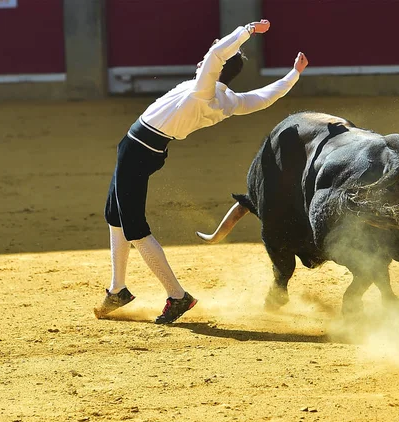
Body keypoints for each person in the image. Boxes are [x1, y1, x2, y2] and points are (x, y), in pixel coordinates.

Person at [95, 19, 309, 324]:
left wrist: (246, 31)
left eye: (209, 57)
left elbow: (216, 56)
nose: (203, 58)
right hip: (142, 149)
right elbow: (264, 97)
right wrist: (293, 75)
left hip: (139, 150)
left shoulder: (203, 92)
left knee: (134, 228)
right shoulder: (227, 100)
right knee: (114, 215)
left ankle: (177, 296)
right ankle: (118, 289)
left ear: (217, 70)